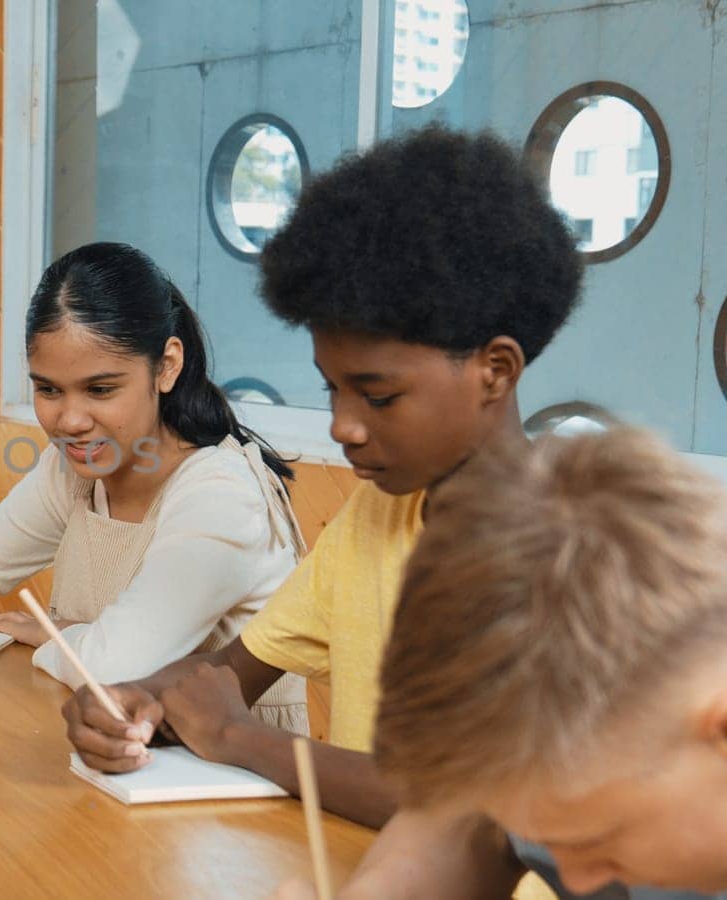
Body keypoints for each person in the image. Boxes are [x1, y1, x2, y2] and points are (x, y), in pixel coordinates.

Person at [61, 125, 584, 828]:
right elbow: (227, 676)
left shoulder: (569, 552)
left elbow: (469, 813)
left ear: (496, 370)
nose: (343, 426)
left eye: (378, 396)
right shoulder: (377, 518)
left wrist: (241, 738)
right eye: (331, 391)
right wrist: (134, 698)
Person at [0, 242, 308, 728]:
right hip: (116, 753)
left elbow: (117, 669)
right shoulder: (76, 470)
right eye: (48, 389)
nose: (70, 421)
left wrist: (57, 633)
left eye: (101, 390)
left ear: (166, 367)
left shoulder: (222, 495)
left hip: (231, 783)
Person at [277, 430, 727, 900]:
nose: (574, 881)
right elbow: (456, 821)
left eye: (599, 842)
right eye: (548, 840)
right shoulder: (583, 757)